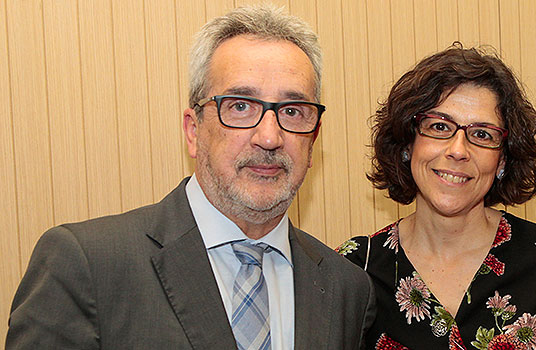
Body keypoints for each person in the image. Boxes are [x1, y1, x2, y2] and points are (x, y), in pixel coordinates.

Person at [7, 5, 374, 349]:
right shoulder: (86, 263)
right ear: (193, 130)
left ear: (314, 137)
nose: (269, 137)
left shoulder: (346, 287)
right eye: (241, 106)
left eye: (293, 111)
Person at [336, 44, 536, 349]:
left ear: (502, 160)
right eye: (439, 127)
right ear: (407, 143)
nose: (458, 150)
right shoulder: (353, 271)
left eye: (482, 134)